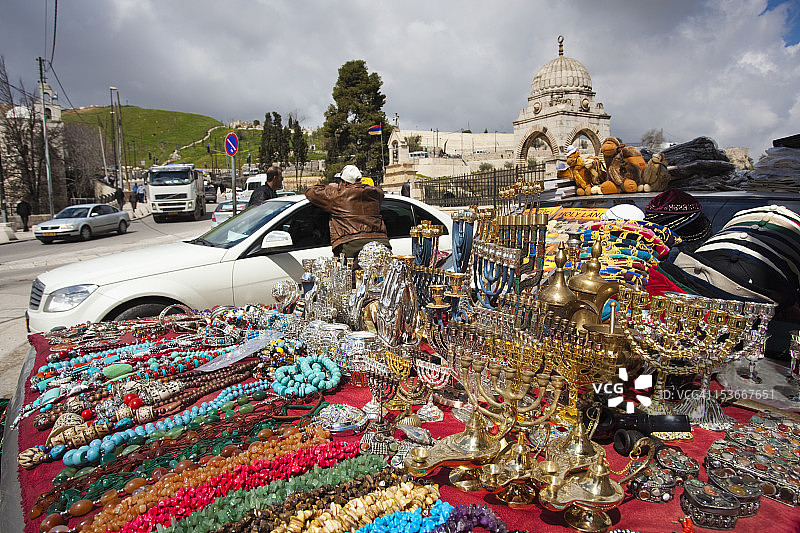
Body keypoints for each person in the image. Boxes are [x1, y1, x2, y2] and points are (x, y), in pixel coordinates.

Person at [305, 164, 390, 265]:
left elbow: (310, 192)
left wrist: (332, 187)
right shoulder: (375, 194)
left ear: (344, 182)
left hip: (351, 246)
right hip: (381, 243)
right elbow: (379, 192)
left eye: (339, 181)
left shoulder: (337, 196)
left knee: (353, 279)